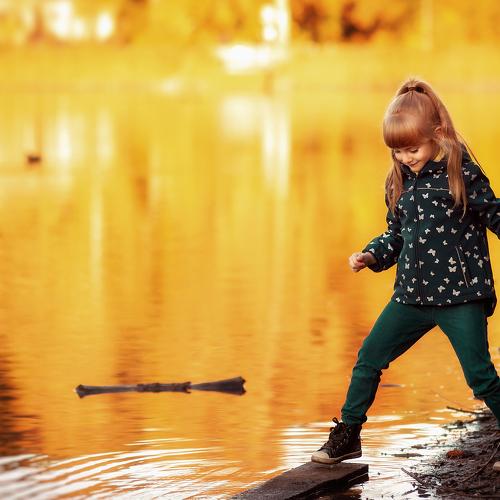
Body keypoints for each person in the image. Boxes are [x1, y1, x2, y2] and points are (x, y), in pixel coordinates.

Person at [311, 78, 500, 465]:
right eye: (397, 151)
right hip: (411, 297)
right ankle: (348, 434)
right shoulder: (398, 183)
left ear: (437, 134)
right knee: (369, 357)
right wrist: (371, 255)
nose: (405, 157)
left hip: (460, 297)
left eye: (412, 149)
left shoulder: (460, 175)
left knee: (480, 377)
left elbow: (496, 216)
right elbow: (396, 236)